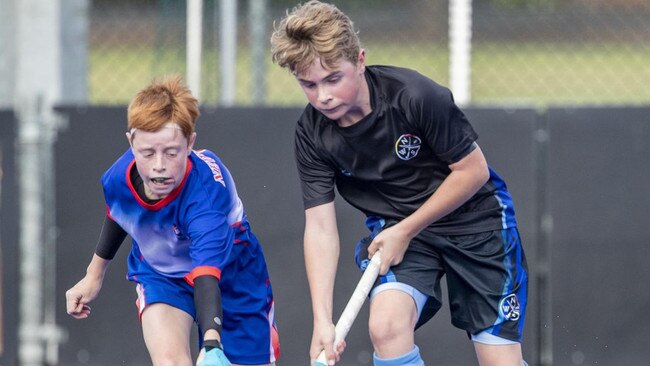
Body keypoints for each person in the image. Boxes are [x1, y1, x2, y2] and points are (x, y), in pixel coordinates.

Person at [270, 2, 528, 365]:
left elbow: (473, 172)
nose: (322, 96)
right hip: (402, 236)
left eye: (332, 79)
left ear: (360, 61)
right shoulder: (312, 133)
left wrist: (405, 230)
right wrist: (322, 321)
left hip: (477, 226)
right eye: (307, 84)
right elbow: (321, 228)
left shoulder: (416, 96)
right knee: (386, 327)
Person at [65, 75, 280, 366]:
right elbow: (120, 212)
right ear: (131, 142)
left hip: (230, 271)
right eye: (147, 152)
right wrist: (94, 274)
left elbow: (206, 275)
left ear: (190, 143)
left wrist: (212, 344)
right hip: (160, 272)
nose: (158, 167)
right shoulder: (117, 177)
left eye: (171, 152)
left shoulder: (205, 202)